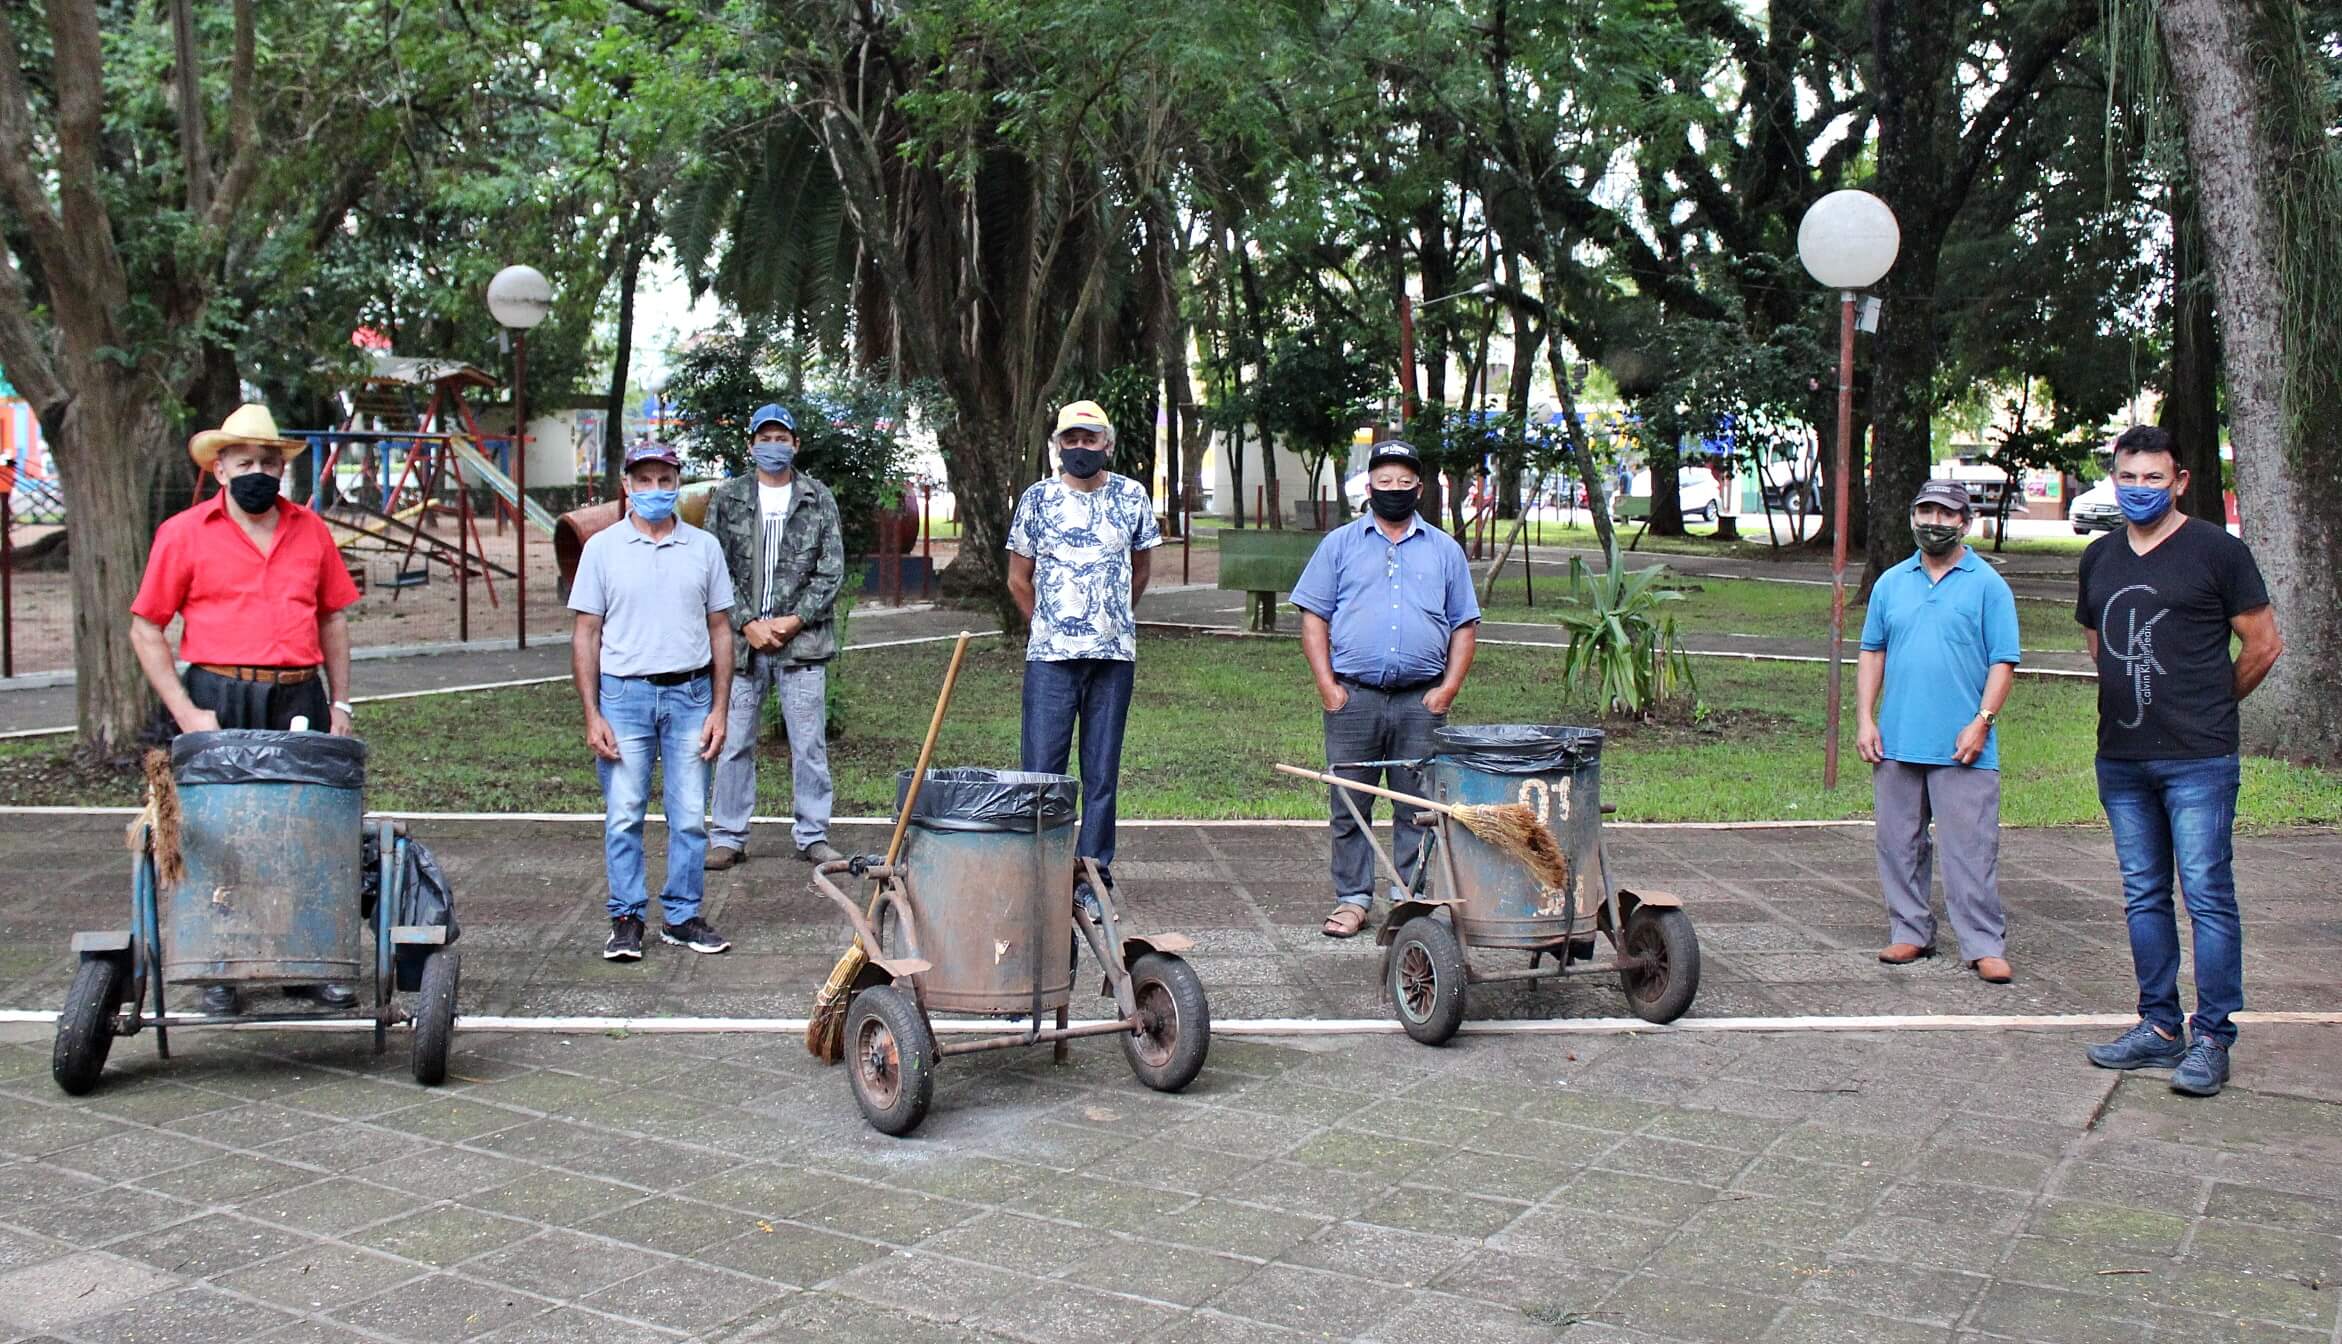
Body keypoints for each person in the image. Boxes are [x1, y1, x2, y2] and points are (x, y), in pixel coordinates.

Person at [130, 404, 362, 1015]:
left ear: (282, 468)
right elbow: (146, 628)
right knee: (217, 830)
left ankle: (305, 962)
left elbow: (333, 618)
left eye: (268, 461)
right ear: (220, 468)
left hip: (298, 693)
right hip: (218, 693)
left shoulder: (310, 531)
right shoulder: (183, 533)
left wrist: (339, 701)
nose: (258, 471)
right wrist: (186, 712)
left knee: (301, 826)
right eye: (244, 462)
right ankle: (220, 968)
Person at [2078, 425, 2282, 1098]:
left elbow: (2263, 644)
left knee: (2207, 895)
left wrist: (2213, 702)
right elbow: (2099, 643)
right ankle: (2160, 1026)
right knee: (2143, 893)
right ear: (2114, 479)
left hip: (2199, 760)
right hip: (2123, 760)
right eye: (2128, 477)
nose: (2140, 489)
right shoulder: (2100, 556)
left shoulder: (2217, 552)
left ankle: (2213, 1037)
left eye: (2154, 478)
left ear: (2180, 481)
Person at [1289, 440, 1480, 938]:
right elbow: (1313, 617)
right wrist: (1328, 687)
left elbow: (1464, 625)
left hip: (1421, 700)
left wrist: (1447, 691)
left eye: (1404, 482)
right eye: (1384, 481)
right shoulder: (1339, 545)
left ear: (1419, 488)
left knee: (1418, 806)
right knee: (1350, 804)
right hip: (1353, 698)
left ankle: (1407, 899)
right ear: (1369, 486)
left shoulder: (1444, 550)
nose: (1394, 489)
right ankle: (1352, 899)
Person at [569, 440, 736, 962]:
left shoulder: (704, 548)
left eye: (666, 481)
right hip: (624, 696)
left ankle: (682, 916)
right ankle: (626, 918)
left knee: (689, 817)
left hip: (691, 695)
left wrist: (720, 708)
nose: (655, 490)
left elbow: (721, 630)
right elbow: (586, 633)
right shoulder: (602, 549)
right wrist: (592, 713)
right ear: (627, 485)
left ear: (677, 485)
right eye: (644, 480)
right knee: (624, 814)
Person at [1856, 480, 2020, 984]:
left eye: (1947, 514)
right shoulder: (1891, 583)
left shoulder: (1988, 585)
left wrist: (1982, 722)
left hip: (1963, 745)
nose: (1935, 522)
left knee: (1970, 848)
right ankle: (1910, 930)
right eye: (1925, 511)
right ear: (1912, 517)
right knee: (1898, 842)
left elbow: (2003, 661)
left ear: (1965, 522)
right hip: (1898, 739)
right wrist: (1865, 717)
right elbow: (1873, 651)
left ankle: (1983, 943)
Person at [1007, 400, 1161, 915]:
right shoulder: (1037, 499)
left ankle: (1091, 875)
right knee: (1041, 772)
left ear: (1107, 445)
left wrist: (1112, 618)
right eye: (1070, 439)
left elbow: (1141, 568)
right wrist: (1047, 624)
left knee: (1101, 772)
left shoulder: (1132, 496)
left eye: (1089, 439)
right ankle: (1039, 872)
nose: (1079, 448)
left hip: (1112, 658)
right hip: (1050, 659)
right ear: (1057, 446)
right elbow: (1018, 578)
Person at [704, 402, 846, 870]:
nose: (773, 446)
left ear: (795, 444)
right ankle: (728, 836)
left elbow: (831, 569)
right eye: (764, 439)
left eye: (781, 438)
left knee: (808, 745)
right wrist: (747, 622)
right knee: (734, 743)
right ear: (750, 445)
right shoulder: (729, 497)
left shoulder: (816, 497)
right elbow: (713, 566)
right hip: (741, 645)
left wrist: (796, 619)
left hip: (801, 643)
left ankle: (813, 834)